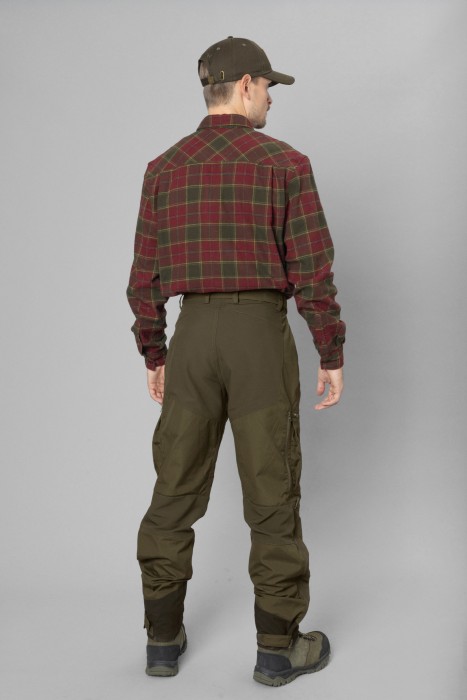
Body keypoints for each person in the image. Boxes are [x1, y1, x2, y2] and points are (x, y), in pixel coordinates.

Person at [126, 36, 346, 687]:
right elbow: (312, 270)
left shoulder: (163, 168)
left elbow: (144, 278)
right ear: (246, 85)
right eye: (269, 86)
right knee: (272, 493)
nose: (271, 98)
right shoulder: (285, 164)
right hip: (258, 339)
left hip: (192, 335)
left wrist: (155, 351)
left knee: (174, 490)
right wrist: (330, 349)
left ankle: (161, 640)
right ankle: (277, 650)